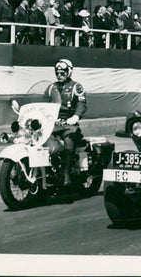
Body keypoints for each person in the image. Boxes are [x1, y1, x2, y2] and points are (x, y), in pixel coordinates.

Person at [44, 59, 87, 187]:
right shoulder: (52, 87)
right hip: (53, 124)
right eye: (57, 73)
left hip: (69, 124)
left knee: (69, 141)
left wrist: (76, 116)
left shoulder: (76, 87)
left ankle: (66, 174)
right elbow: (43, 103)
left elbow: (81, 103)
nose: (59, 75)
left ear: (69, 72)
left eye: (62, 72)